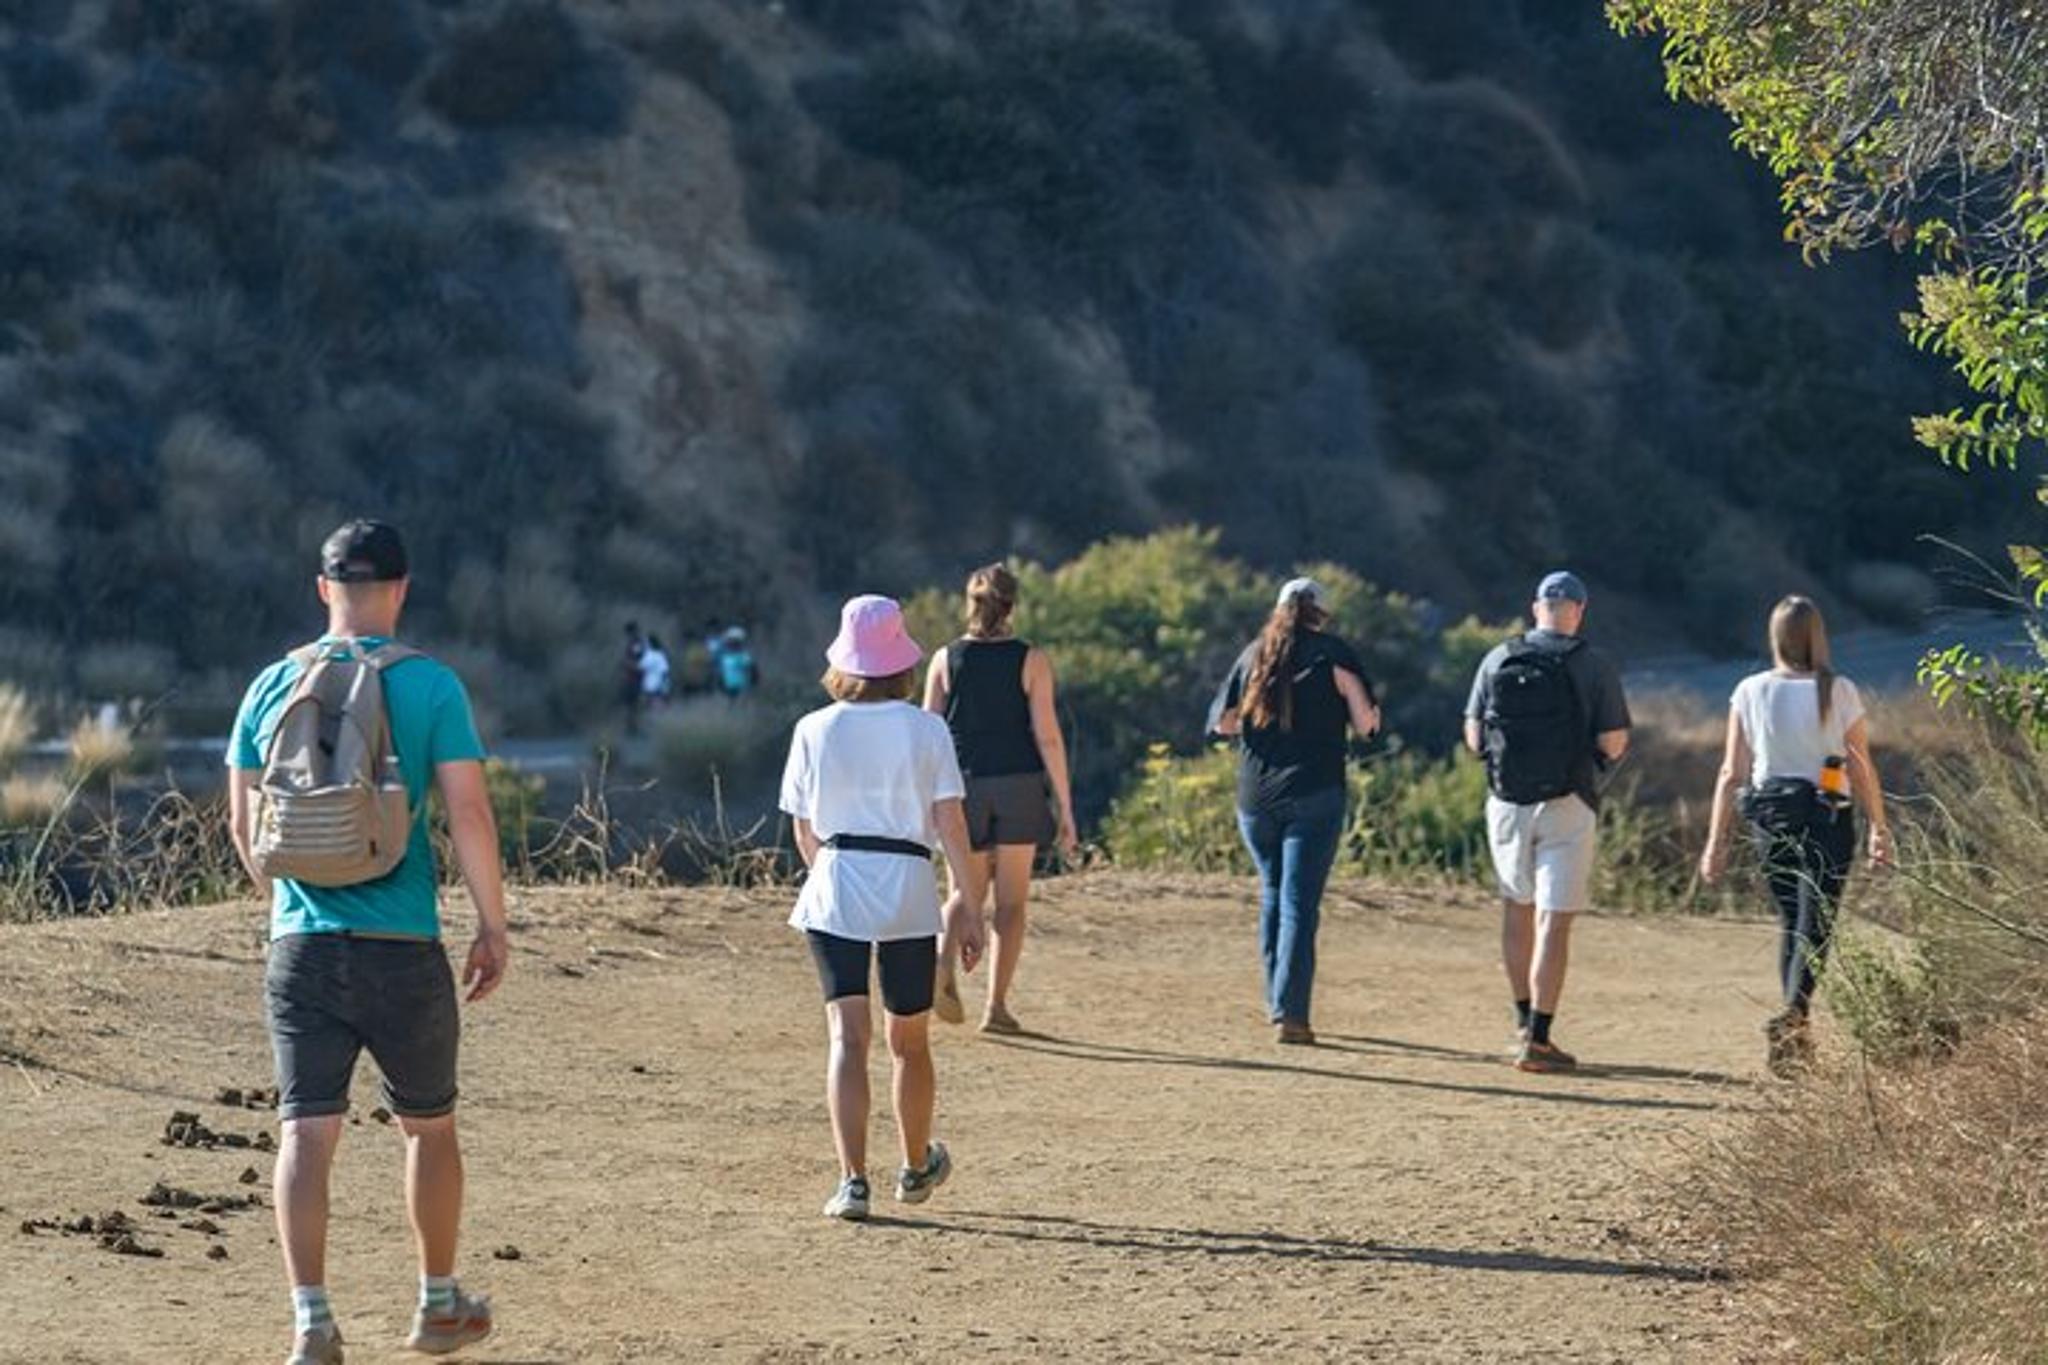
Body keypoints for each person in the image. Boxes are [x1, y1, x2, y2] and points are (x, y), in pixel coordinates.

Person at [226, 520, 508, 1365]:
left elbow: (244, 825)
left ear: (324, 589)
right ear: (402, 589)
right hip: (402, 943)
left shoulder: (271, 684)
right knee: (428, 1126)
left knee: (305, 1134)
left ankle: (311, 1321)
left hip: (302, 946)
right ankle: (437, 1303)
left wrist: (289, 904)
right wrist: (492, 923)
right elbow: (469, 813)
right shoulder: (430, 685)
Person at [779, 595, 986, 1222]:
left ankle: (853, 1183)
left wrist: (833, 876)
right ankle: (916, 1166)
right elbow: (951, 823)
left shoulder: (813, 728)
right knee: (909, 1042)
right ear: (902, 661)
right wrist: (970, 904)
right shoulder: (927, 730)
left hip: (837, 879)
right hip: (907, 888)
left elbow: (804, 830)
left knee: (848, 1037)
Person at [1699, 595, 1892, 1075]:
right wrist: (1879, 827)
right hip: (1828, 818)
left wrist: (1716, 842)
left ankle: (1795, 1030)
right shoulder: (1839, 690)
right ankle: (1795, 1014)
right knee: (1815, 922)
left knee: (1793, 920)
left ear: (1776, 637)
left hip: (1770, 818)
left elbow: (1731, 772)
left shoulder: (1749, 690)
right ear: (1817, 637)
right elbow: (1861, 767)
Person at [1464, 571, 1631, 1075]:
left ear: (1536, 607)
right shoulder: (1594, 664)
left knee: (1517, 909)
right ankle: (1540, 1037)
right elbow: (1614, 742)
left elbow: (1474, 736)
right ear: (1579, 611)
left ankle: (1521, 1021)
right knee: (1553, 921)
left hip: (1507, 803)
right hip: (1568, 802)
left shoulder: (1498, 656)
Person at [1208, 578, 1381, 1046]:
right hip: (1314, 792)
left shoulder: (1253, 655)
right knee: (1299, 904)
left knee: (1273, 892)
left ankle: (1277, 1000)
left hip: (1256, 797)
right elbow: (1366, 723)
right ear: (1321, 614)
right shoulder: (1334, 655)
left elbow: (1223, 724)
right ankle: (1292, 1014)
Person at [922, 563, 1079, 1034]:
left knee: (962, 892)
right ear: (1011, 606)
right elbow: (1047, 735)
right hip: (1019, 784)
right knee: (1011, 903)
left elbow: (927, 734)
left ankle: (942, 962)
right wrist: (1065, 806)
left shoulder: (944, 659)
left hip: (961, 785)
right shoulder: (1032, 659)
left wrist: (924, 799)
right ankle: (996, 1007)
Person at [619, 621, 646, 733]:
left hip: (636, 677)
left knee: (635, 703)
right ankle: (632, 727)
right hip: (631, 677)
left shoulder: (637, 643)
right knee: (631, 703)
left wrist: (628, 664)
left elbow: (639, 660)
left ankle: (635, 727)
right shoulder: (633, 643)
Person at [718, 626, 759, 699]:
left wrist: (753, 683)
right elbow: (721, 673)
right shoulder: (725, 656)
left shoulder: (744, 656)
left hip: (741, 688)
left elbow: (753, 671)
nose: (731, 643)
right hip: (729, 688)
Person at [639, 633, 673, 707]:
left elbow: (641, 667)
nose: (645, 644)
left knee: (656, 705)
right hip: (657, 685)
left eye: (646, 642)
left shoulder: (650, 655)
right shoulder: (659, 653)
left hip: (654, 685)